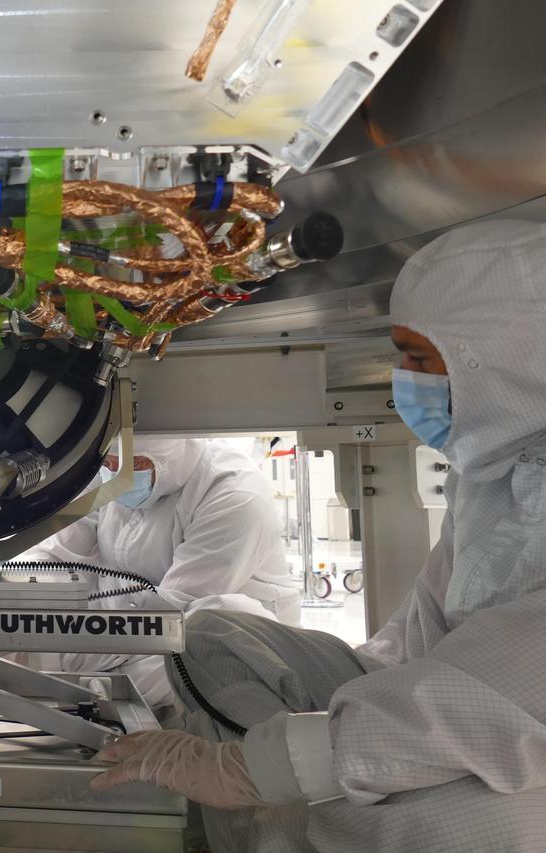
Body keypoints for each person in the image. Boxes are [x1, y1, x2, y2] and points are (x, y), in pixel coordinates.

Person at [90, 220, 546, 852]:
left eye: (419, 360)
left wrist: (247, 768)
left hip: (501, 741)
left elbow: (496, 703)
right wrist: (341, 704)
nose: (404, 381)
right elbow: (417, 640)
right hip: (437, 708)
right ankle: (277, 817)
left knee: (450, 820)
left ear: (507, 360)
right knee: (214, 633)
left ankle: (287, 810)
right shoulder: (488, 476)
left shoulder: (226, 490)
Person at [19, 436, 299, 710]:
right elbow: (54, 556)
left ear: (170, 456)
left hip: (194, 642)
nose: (116, 478)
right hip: (120, 635)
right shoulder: (105, 473)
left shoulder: (235, 496)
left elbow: (167, 618)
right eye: (109, 464)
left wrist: (62, 651)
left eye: (135, 465)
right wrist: (14, 606)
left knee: (191, 659)